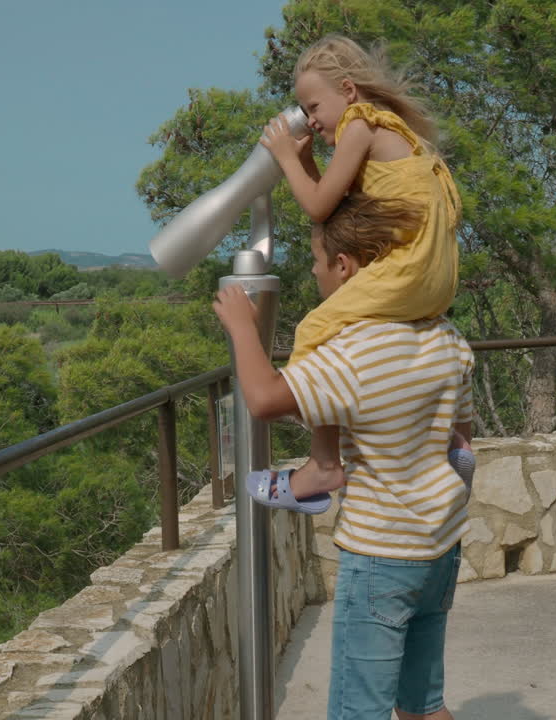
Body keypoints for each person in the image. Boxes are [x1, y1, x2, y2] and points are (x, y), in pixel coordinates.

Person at [213, 192, 473, 719]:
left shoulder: (353, 353)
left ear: (344, 265)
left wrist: (243, 326)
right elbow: (461, 439)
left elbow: (263, 398)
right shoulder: (444, 334)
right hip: (439, 546)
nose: (314, 273)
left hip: (381, 556)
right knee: (423, 704)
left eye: (315, 262)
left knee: (359, 710)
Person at [248, 33, 472, 510]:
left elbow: (316, 206)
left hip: (409, 267)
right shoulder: (397, 133)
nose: (310, 119)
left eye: (313, 105)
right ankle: (452, 440)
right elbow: (336, 209)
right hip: (438, 274)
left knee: (317, 328)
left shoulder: (360, 125)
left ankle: (325, 464)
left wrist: (287, 156)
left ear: (348, 91)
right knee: (416, 339)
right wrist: (308, 160)